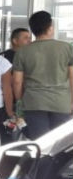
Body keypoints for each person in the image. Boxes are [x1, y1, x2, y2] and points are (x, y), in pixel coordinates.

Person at [13, 11, 73, 139]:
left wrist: (19, 101)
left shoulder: (22, 51)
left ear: (33, 30)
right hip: (61, 102)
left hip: (34, 102)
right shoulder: (66, 48)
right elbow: (72, 76)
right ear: (50, 28)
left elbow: (17, 82)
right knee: (59, 143)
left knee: (40, 142)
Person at [0, 28, 31, 144]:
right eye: (25, 38)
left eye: (30, 38)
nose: (29, 41)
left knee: (30, 136)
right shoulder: (3, 57)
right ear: (15, 40)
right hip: (9, 103)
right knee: (9, 138)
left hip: (29, 102)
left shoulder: (31, 56)